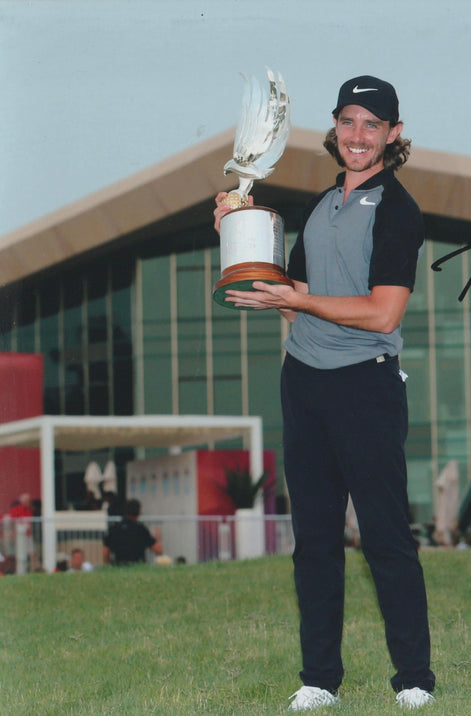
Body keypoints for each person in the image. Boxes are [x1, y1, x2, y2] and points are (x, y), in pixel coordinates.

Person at [214, 75, 435, 712]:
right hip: (304, 384)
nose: (358, 135)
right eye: (348, 121)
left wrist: (300, 297)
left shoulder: (398, 208)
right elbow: (291, 306)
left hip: (366, 383)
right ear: (334, 129)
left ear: (393, 135)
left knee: (386, 537)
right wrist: (233, 231)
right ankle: (319, 679)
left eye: (372, 124)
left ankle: (414, 677)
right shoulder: (318, 207)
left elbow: (383, 313)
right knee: (314, 539)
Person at [102, 499, 162, 565]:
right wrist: (158, 537)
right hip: (139, 566)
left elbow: (105, 552)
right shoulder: (141, 529)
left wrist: (109, 564)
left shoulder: (114, 529)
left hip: (119, 566)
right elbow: (158, 550)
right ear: (138, 513)